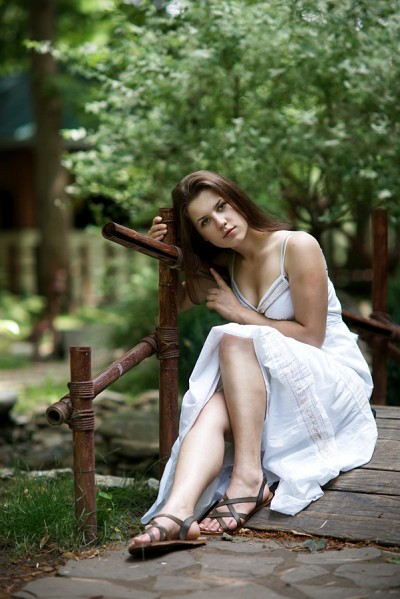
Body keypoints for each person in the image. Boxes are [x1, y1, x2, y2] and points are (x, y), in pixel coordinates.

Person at [128, 170, 378, 555]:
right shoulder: (225, 266)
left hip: (332, 377)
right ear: (201, 235)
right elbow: (171, 306)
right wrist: (163, 253)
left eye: (222, 206)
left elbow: (312, 337)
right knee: (211, 409)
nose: (220, 222)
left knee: (235, 337)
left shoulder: (297, 245)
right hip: (274, 381)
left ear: (238, 201)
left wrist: (240, 314)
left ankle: (248, 479)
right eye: (205, 222)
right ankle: (175, 514)